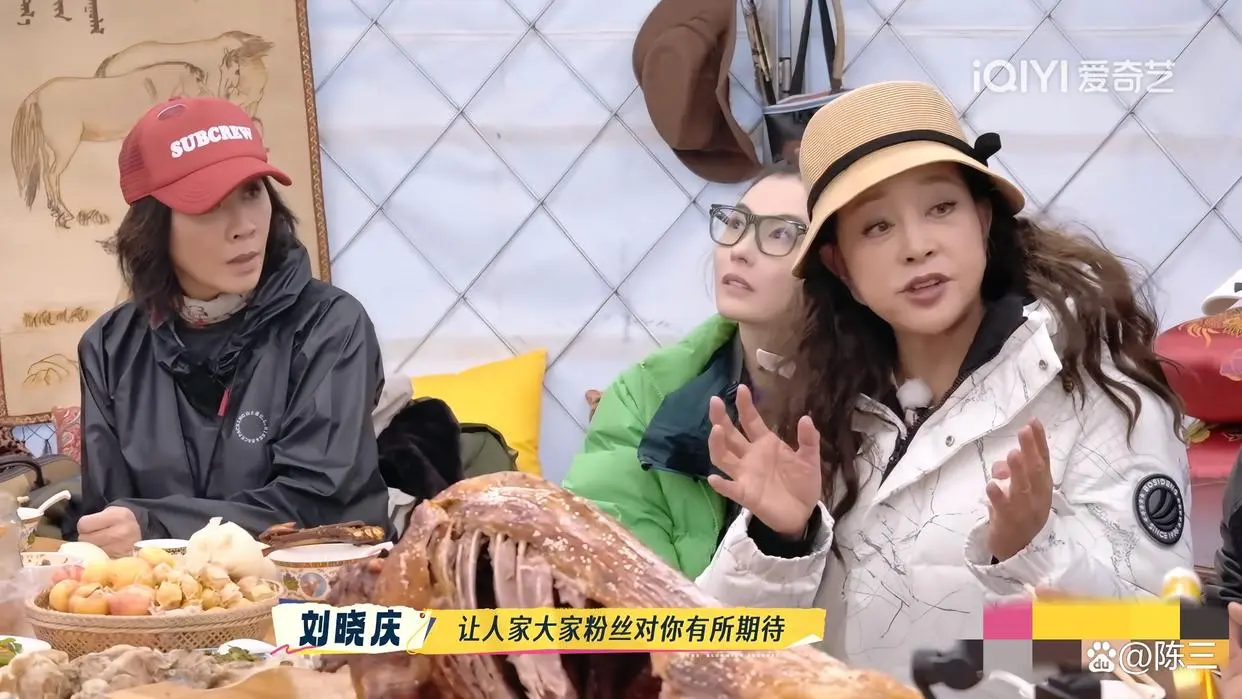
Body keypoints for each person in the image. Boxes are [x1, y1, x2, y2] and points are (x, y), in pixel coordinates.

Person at [694, 82, 1193, 680]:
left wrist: (1034, 552)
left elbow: (1174, 651)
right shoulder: (819, 413)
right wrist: (781, 542)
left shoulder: (1096, 388)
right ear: (840, 265)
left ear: (982, 218)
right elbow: (717, 657)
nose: (917, 246)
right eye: (877, 227)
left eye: (941, 208)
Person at [65, 96, 389, 555]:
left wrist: (157, 525)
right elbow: (112, 523)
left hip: (320, 588)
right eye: (209, 204)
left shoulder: (330, 326)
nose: (244, 227)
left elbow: (319, 505)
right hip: (168, 597)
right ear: (152, 225)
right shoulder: (109, 347)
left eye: (252, 192)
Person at [562, 164, 806, 578]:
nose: (740, 249)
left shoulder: (883, 400)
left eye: (780, 234)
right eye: (736, 223)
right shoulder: (645, 395)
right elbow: (616, 577)